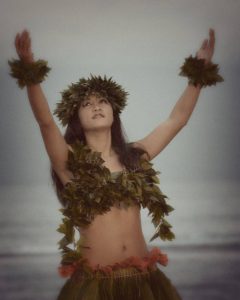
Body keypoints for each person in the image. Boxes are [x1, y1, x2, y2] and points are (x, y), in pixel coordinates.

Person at [8, 28, 223, 300]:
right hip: (95, 287)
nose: (96, 106)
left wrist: (198, 73)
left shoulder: (134, 156)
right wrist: (29, 70)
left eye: (102, 101)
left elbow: (176, 120)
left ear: (113, 111)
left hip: (144, 282)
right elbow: (46, 122)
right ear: (76, 118)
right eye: (86, 103)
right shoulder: (69, 164)